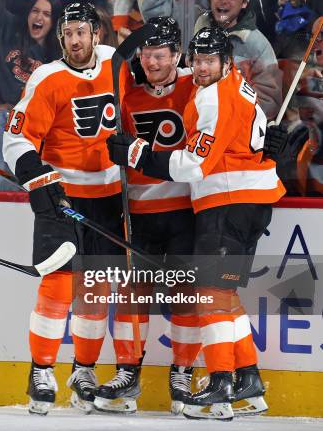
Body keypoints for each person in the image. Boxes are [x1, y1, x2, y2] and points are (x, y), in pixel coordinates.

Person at [107, 26, 285, 420]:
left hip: (228, 201)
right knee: (224, 296)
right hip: (249, 199)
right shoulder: (238, 85)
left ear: (227, 62)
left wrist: (138, 153)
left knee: (210, 297)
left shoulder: (213, 97)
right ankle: (249, 379)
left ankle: (221, 382)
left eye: (210, 61)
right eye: (199, 60)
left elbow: (193, 165)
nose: (202, 68)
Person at [3, 2, 125, 415]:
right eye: (68, 33)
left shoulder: (117, 63)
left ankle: (84, 370)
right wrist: (40, 182)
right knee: (57, 285)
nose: (75, 40)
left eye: (82, 32)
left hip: (109, 199)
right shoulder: (46, 77)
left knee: (95, 290)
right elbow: (16, 139)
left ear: (97, 34)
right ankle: (40, 370)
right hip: (62, 198)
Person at [93, 16, 199, 415]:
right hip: (138, 211)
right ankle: (127, 373)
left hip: (186, 212)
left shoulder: (197, 88)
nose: (152, 62)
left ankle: (183, 375)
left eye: (160, 54)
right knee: (133, 295)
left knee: (185, 295)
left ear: (177, 55)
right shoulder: (128, 94)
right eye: (147, 54)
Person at [139, 0, 283, 121]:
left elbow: (268, 102)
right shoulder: (194, 21)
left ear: (244, 3)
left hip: (227, 132)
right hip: (180, 120)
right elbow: (155, 13)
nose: (224, 0)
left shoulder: (257, 45)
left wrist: (223, 115)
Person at [0, 0, 62, 190]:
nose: (39, 17)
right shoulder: (8, 29)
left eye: (46, 14)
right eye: (35, 11)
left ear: (54, 21)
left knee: (19, 192)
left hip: (26, 129)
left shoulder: (56, 56)